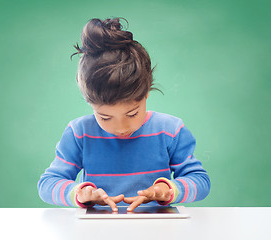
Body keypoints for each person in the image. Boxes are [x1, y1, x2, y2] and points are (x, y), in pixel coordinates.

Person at [37, 17, 210, 212]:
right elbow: (47, 184)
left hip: (158, 229)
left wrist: (168, 190)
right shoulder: (79, 133)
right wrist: (81, 193)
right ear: (90, 103)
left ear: (146, 93)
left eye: (132, 113)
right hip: (97, 231)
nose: (121, 127)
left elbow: (200, 181)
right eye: (105, 117)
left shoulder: (170, 131)